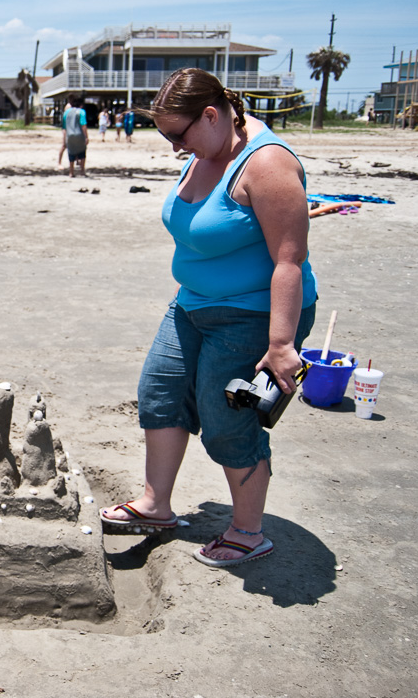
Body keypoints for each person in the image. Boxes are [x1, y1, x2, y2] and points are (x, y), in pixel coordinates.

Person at [99, 67, 317, 569]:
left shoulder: (266, 165)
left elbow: (289, 260)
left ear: (213, 115)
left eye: (179, 134)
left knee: (226, 419)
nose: (175, 147)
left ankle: (248, 530)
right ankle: (155, 506)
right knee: (161, 392)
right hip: (192, 303)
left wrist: (282, 345)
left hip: (254, 315)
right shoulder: (206, 148)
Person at [57, 94, 89, 176]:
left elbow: (64, 126)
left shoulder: (66, 112)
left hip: (69, 135)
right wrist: (86, 137)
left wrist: (64, 137)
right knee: (82, 152)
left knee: (71, 153)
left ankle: (71, 172)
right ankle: (82, 171)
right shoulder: (82, 112)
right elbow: (83, 125)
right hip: (79, 134)